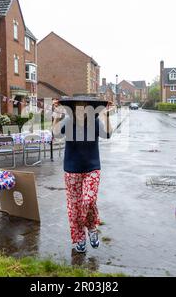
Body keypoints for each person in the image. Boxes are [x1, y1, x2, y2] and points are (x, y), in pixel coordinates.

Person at [53, 98, 113, 253]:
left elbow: (107, 135)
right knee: (74, 207)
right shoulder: (68, 121)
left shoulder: (95, 122)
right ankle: (80, 239)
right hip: (72, 169)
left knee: (88, 200)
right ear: (72, 109)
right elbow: (56, 135)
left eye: (84, 107)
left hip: (92, 168)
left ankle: (92, 228)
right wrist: (56, 116)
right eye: (77, 107)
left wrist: (106, 115)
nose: (81, 110)